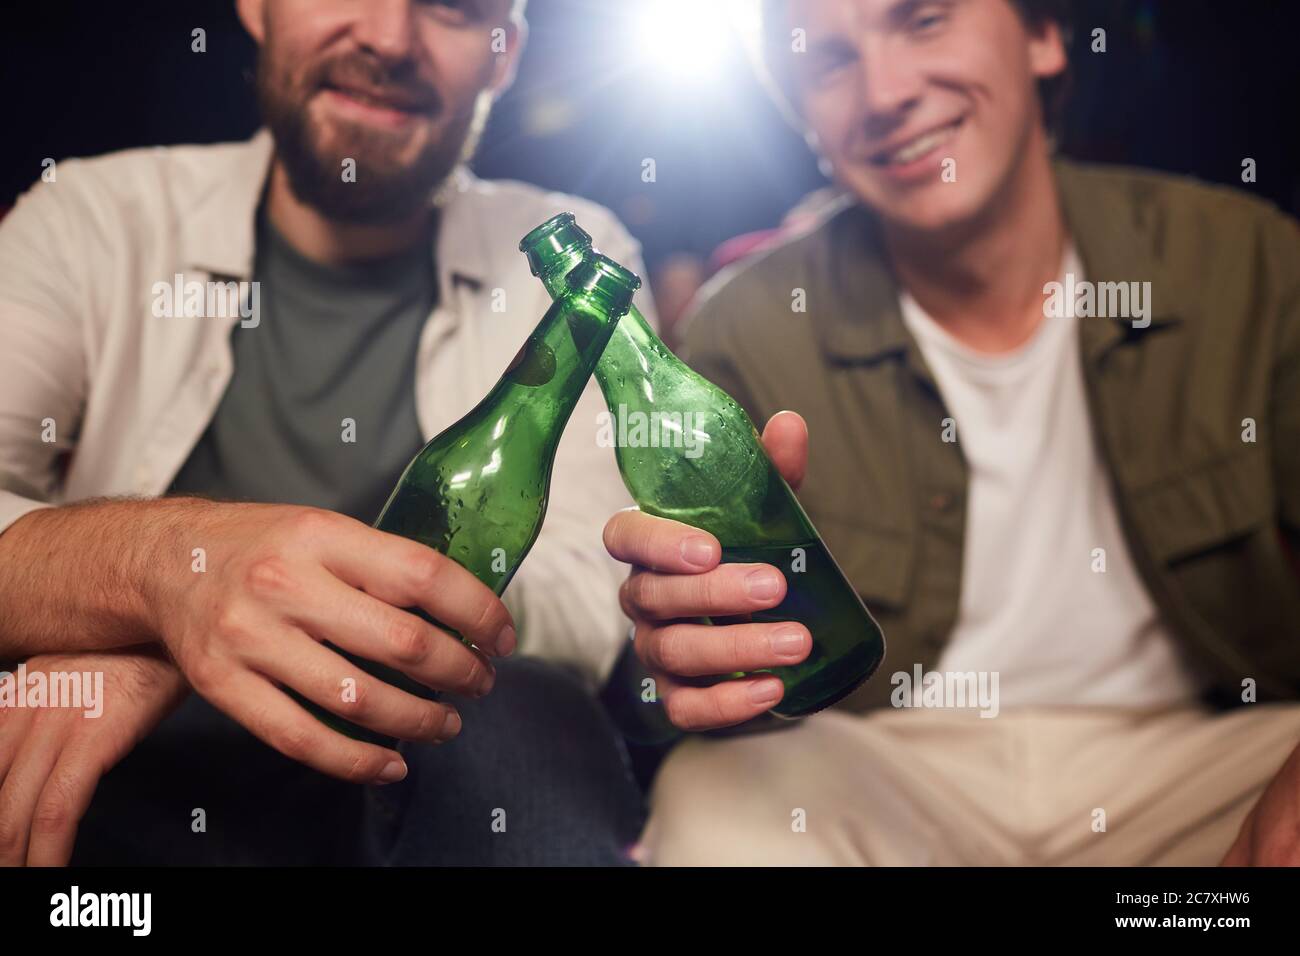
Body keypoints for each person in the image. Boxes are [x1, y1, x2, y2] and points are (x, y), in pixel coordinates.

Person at [603, 0, 1300, 865]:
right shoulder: (744, 328)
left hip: (1204, 757)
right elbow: (659, 684)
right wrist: (684, 649)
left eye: (924, 20)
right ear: (803, 119)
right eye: (828, 63)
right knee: (713, 802)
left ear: (1046, 36)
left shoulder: (1246, 259)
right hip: (889, 772)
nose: (885, 91)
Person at [0, 0, 652, 866]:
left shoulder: (573, 253)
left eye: (453, 8)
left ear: (504, 56)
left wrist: (256, 622)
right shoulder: (95, 216)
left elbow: (585, 592)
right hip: (131, 774)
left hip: (423, 767)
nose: (387, 38)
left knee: (529, 722)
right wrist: (161, 585)